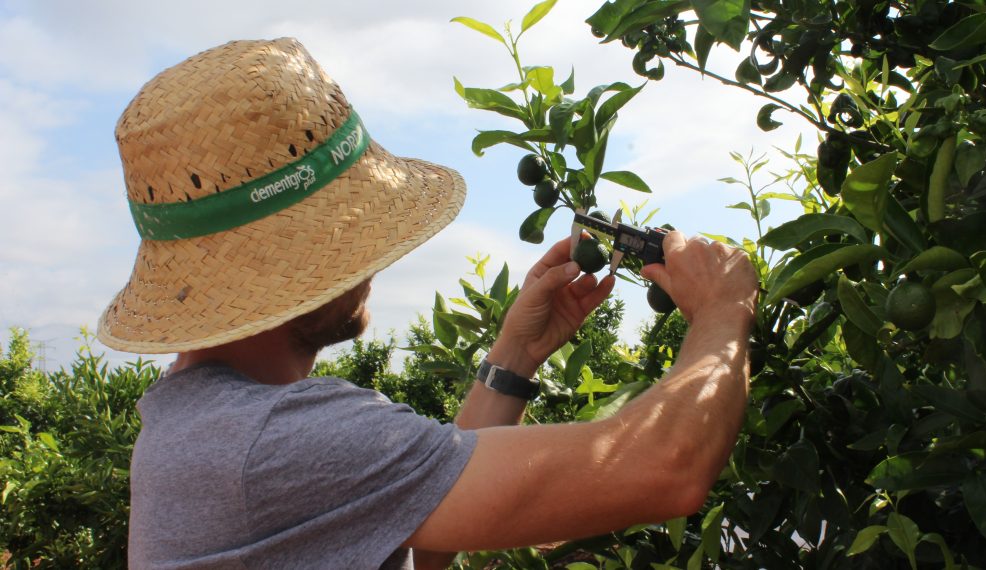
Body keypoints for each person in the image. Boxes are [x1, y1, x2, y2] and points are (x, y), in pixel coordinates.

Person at [99, 38, 758, 570]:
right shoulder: (278, 439)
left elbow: (424, 542)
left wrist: (517, 353)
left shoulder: (200, 421)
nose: (375, 264)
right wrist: (724, 310)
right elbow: (661, 469)